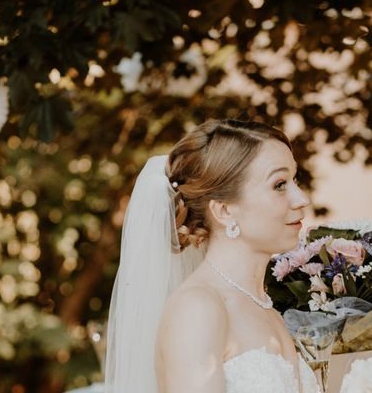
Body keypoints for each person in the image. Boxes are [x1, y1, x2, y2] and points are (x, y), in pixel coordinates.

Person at [105, 119, 320, 393]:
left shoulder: (266, 307)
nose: (301, 198)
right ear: (224, 211)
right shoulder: (198, 308)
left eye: (294, 180)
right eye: (279, 184)